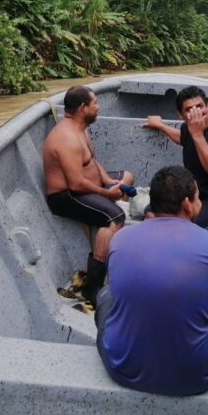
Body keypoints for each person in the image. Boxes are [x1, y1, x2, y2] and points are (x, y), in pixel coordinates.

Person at [96, 165, 208, 396]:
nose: (200, 202)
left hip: (123, 367)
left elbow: (118, 289)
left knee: (105, 297)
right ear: (186, 204)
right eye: (198, 197)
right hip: (196, 376)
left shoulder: (120, 238)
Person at [43, 85, 133, 305]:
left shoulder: (81, 127)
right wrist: (106, 192)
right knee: (115, 217)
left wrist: (109, 181)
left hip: (87, 185)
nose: (99, 107)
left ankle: (108, 199)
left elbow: (92, 161)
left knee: (126, 176)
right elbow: (75, 184)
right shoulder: (67, 138)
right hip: (66, 197)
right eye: (95, 104)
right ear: (83, 108)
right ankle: (92, 287)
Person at [142, 86, 208, 233]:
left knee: (185, 229)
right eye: (189, 109)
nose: (196, 112)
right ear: (180, 115)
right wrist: (160, 125)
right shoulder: (187, 128)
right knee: (151, 211)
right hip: (195, 196)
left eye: (200, 106)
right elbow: (182, 138)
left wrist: (197, 135)